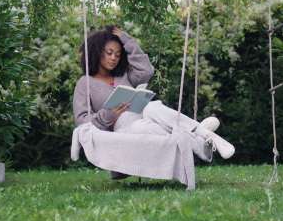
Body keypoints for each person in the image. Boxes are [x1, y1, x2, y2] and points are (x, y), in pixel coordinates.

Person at [72, 25, 235, 160]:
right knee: (147, 129)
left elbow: (147, 70)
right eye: (109, 53)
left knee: (151, 107)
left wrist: (129, 42)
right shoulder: (85, 83)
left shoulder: (124, 75)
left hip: (144, 113)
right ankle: (201, 138)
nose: (113, 58)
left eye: (118, 54)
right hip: (124, 129)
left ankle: (206, 135)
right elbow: (82, 121)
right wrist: (108, 114)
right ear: (96, 52)